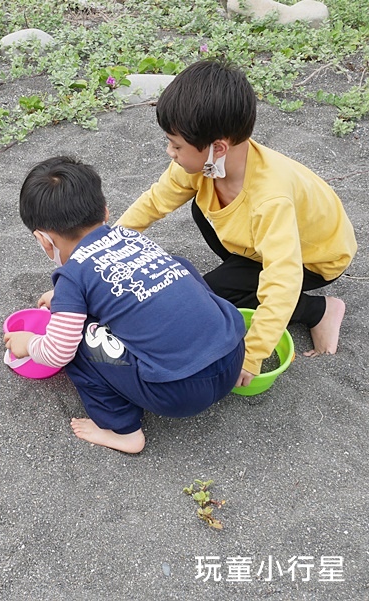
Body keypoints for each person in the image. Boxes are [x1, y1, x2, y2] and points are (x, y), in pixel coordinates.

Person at [117, 60, 357, 386]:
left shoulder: (270, 199)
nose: (169, 152)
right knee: (201, 206)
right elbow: (153, 203)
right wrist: (105, 248)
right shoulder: (208, 165)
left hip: (314, 258)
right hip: (261, 239)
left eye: (176, 145)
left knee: (213, 298)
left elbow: (282, 278)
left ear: (218, 148)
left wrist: (253, 352)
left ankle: (320, 310)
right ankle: (243, 272)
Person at [4, 156, 245, 454]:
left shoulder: (72, 275)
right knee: (177, 268)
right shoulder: (132, 237)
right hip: (233, 357)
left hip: (180, 392)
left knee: (77, 341)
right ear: (105, 212)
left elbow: (57, 352)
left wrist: (28, 344)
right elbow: (127, 285)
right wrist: (66, 299)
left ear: (43, 239)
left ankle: (123, 431)